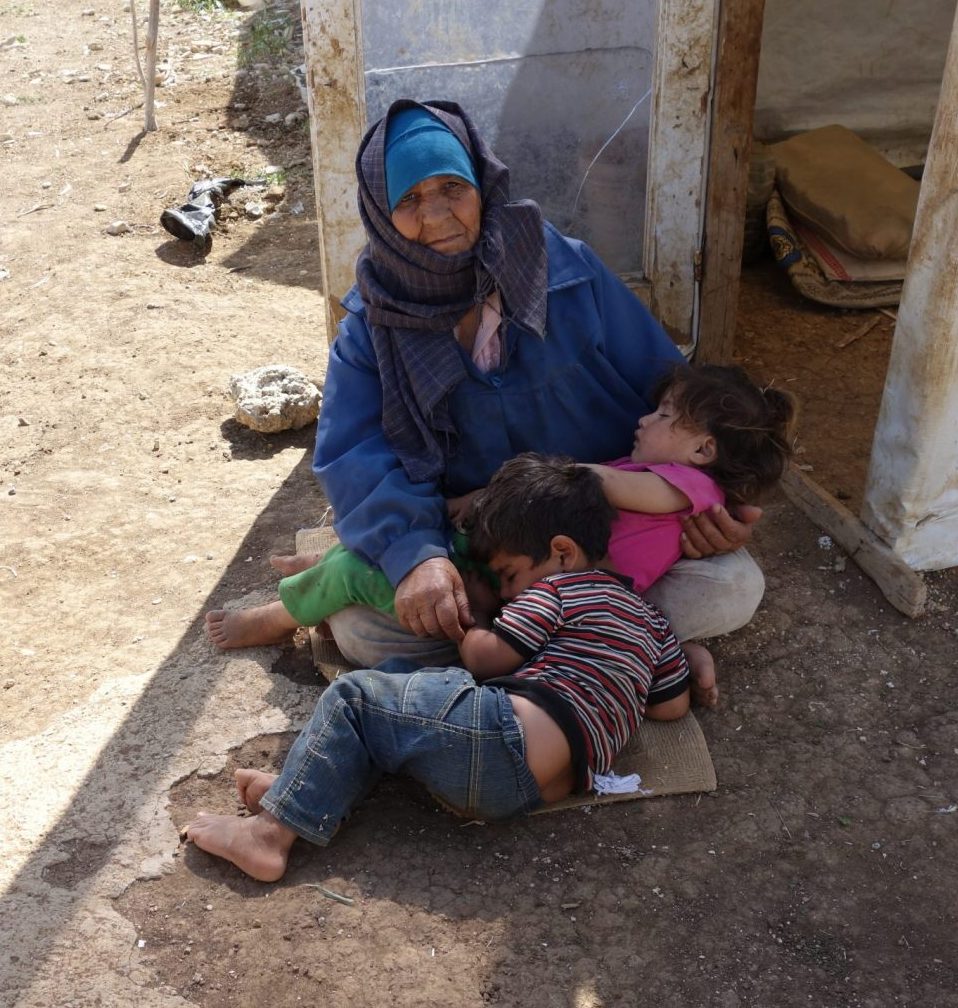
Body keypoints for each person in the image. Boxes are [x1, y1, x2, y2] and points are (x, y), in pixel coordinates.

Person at [210, 99, 763, 669]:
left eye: (453, 188)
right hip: (471, 540)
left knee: (731, 587)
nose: (438, 216)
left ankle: (523, 644)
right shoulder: (372, 325)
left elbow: (674, 397)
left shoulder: (568, 273)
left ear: (483, 184)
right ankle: (609, 647)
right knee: (368, 635)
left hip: (603, 535)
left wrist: (711, 505)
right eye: (409, 200)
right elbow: (356, 456)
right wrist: (417, 557)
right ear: (378, 211)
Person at [186, 455, 701, 882]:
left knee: (357, 699)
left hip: (503, 737)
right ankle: (302, 786)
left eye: (507, 574)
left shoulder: (556, 589)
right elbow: (671, 705)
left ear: (561, 553)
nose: (505, 592)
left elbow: (484, 657)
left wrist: (474, 617)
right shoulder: (650, 618)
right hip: (540, 789)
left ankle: (269, 835)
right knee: (396, 711)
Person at [206, 364, 795, 711]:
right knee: (415, 555)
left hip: (544, 591)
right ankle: (343, 561)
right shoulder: (656, 475)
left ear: (703, 450)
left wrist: (527, 481)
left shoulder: (683, 484)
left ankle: (286, 612)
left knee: (370, 582)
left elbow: (597, 484)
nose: (644, 419)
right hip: (542, 580)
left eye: (665, 415)